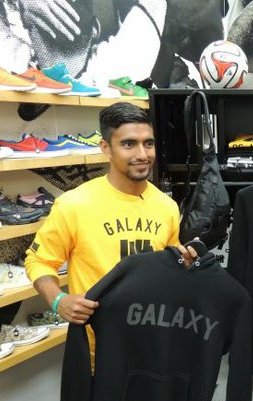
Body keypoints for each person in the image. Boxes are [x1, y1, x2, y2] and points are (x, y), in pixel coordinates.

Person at [25, 101, 195, 337]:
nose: (142, 154)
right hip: (98, 345)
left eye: (148, 143)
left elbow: (167, 265)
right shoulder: (74, 204)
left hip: (154, 340)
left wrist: (184, 264)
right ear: (106, 148)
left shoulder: (166, 206)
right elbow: (38, 261)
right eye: (129, 144)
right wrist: (58, 300)